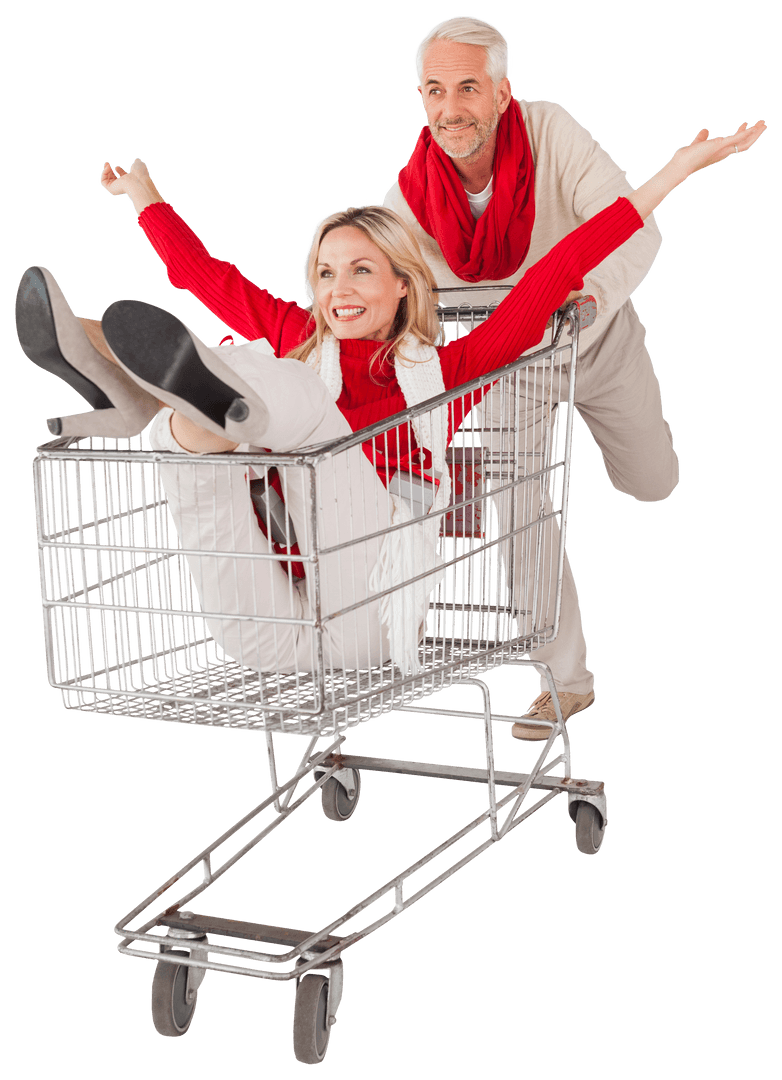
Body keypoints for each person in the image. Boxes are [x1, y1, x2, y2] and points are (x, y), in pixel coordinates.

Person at [14, 120, 765, 703]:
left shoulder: (446, 369)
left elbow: (558, 268)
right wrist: (143, 192)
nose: (340, 288)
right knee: (199, 459)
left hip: (369, 601)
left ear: (404, 284)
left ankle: (168, 397)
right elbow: (199, 273)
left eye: (363, 270)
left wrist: (672, 172)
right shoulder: (302, 332)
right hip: (272, 632)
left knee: (287, 390)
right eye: (326, 271)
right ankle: (170, 414)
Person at [382, 15, 765, 737]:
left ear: (502, 93)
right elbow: (377, 286)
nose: (449, 107)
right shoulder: (409, 199)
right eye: (433, 90)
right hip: (511, 366)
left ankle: (632, 464)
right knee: (514, 504)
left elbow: (634, 226)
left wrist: (587, 302)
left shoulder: (552, 132)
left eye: (467, 87)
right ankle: (566, 681)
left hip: (597, 336)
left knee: (652, 482)